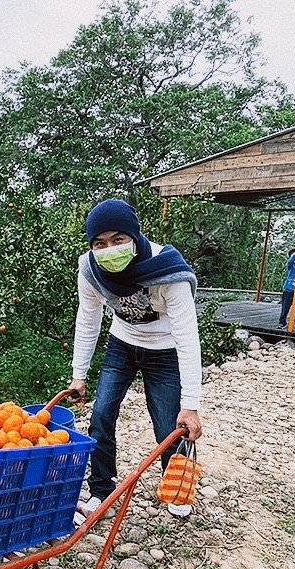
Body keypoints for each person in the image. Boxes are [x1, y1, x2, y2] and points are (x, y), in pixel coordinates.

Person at [69, 199, 203, 520]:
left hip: (166, 350)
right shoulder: (90, 270)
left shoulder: (169, 270)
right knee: (101, 416)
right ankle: (101, 490)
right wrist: (79, 374)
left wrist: (192, 405)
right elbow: (88, 321)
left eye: (118, 239)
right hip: (122, 344)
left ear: (134, 235)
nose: (108, 249)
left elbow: (187, 336)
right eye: (99, 243)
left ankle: (177, 486)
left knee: (169, 424)